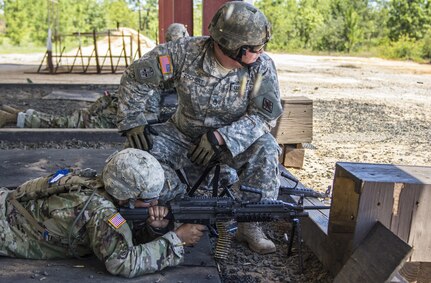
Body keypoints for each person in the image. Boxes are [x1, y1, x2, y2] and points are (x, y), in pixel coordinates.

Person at [117, 2, 282, 254]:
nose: (259, 54)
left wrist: (223, 137)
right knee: (138, 159)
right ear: (229, 44)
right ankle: (174, 210)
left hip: (230, 140)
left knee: (267, 148)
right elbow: (136, 77)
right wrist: (133, 120)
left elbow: (263, 116)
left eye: (261, 48)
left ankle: (251, 225)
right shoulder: (183, 53)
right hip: (181, 136)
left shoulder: (261, 66)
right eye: (253, 49)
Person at [0, 148, 206, 278]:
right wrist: (176, 240)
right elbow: (122, 261)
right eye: (147, 199)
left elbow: (119, 236)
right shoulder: (103, 214)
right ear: (126, 196)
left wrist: (152, 230)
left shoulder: (95, 181)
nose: (154, 203)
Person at [0, 23, 190, 129]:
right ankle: (15, 118)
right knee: (70, 123)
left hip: (122, 101)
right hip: (132, 108)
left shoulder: (160, 53)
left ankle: (17, 114)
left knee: (75, 118)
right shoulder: (169, 58)